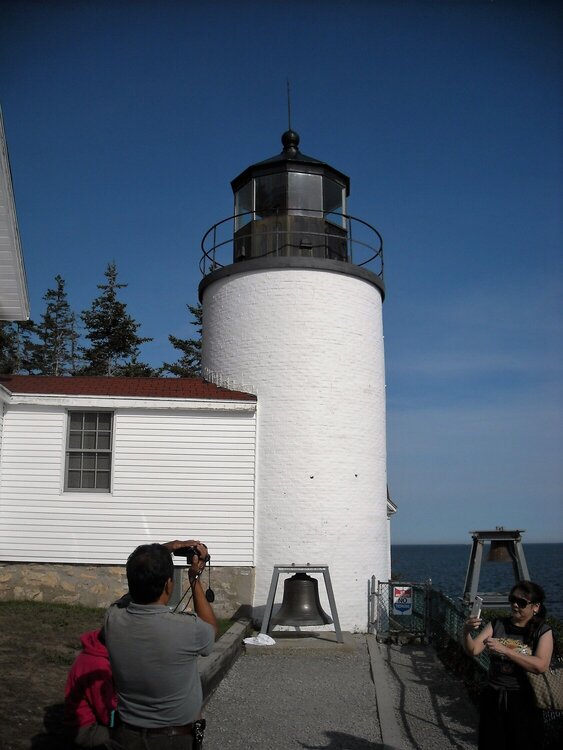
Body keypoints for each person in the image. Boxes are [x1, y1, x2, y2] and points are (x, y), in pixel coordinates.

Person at [104, 539, 218, 749]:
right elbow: (211, 630)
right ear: (168, 584)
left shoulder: (113, 619)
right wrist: (194, 579)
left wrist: (164, 550)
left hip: (125, 736)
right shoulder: (188, 629)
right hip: (173, 740)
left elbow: (129, 594)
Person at [462, 579, 554, 750]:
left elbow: (541, 665)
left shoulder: (543, 631)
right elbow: (474, 649)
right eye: (512, 600)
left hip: (525, 700)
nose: (515, 605)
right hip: (494, 696)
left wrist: (506, 650)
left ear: (536, 607)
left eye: (521, 602)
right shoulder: (497, 624)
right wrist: (466, 631)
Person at [64, 628, 117, 748]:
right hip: (86, 729)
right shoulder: (99, 666)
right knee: (133, 738)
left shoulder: (95, 650)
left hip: (82, 720)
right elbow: (107, 716)